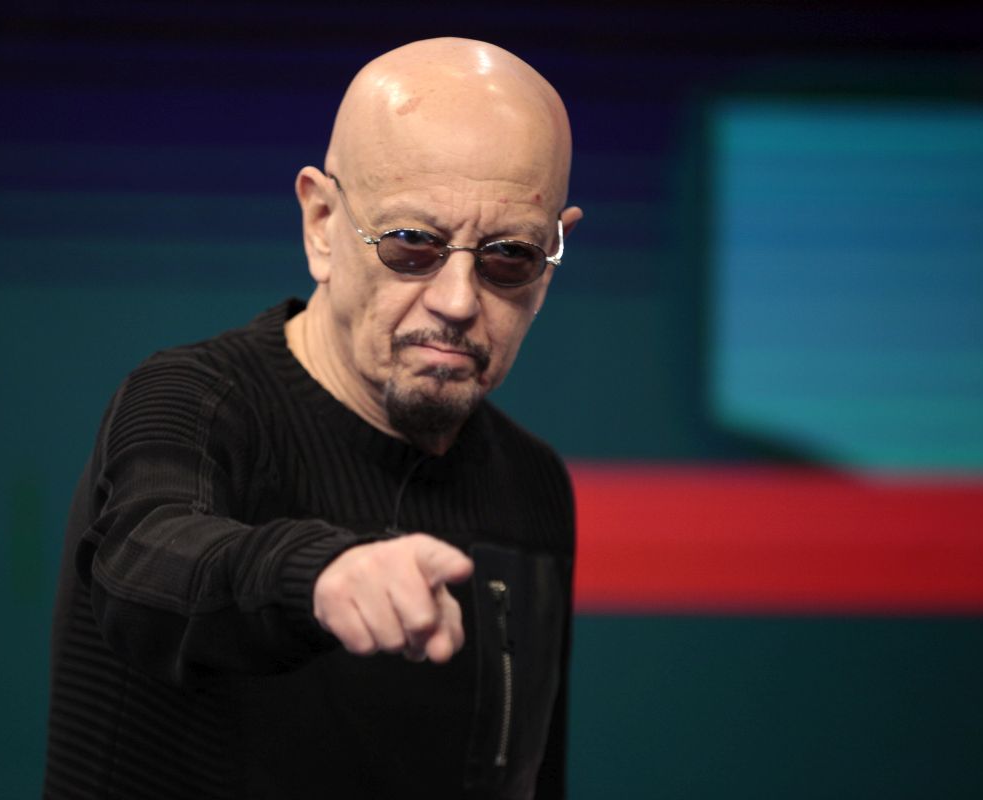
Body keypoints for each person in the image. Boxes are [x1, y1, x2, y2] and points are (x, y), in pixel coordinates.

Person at [44, 37, 583, 800]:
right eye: (411, 243)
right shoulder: (190, 402)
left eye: (509, 256)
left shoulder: (533, 483)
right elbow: (143, 565)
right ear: (323, 223)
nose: (458, 300)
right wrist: (320, 575)